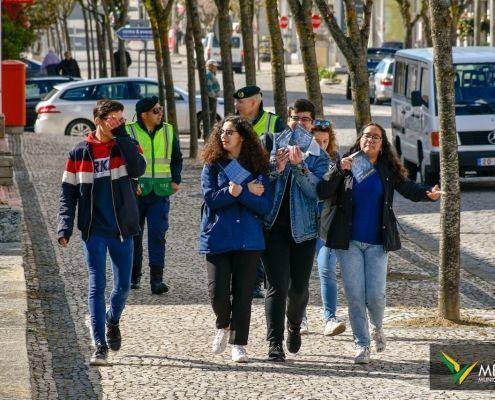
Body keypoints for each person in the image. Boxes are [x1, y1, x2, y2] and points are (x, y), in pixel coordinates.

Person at [317, 122, 442, 364]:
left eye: (376, 137)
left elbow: (408, 188)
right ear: (360, 139)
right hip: (349, 242)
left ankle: (377, 327)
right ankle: (362, 345)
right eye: (367, 136)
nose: (370, 140)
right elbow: (323, 191)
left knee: (375, 295)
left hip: (377, 242)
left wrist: (428, 193)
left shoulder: (386, 168)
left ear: (382, 144)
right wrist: (339, 170)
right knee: (354, 295)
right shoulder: (347, 162)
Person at [57, 99, 146, 366]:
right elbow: (67, 194)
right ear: (98, 120)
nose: (119, 123)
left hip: (122, 228)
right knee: (97, 286)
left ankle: (112, 319)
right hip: (93, 229)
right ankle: (99, 344)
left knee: (123, 286)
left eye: (122, 119)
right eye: (113, 119)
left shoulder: (126, 145)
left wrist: (124, 139)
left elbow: (139, 168)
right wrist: (65, 225)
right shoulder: (78, 152)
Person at [199, 116, 273, 363]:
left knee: (243, 295)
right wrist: (236, 192)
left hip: (248, 238)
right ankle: (223, 323)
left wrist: (239, 192)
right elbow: (211, 199)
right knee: (217, 292)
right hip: (218, 236)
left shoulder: (258, 168)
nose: (224, 136)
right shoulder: (212, 164)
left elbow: (264, 205)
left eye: (230, 132)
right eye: (222, 132)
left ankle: (239, 343)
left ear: (242, 136)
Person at [262, 105, 330, 362]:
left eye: (305, 119)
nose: (299, 123)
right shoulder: (269, 143)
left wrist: (300, 167)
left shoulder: (319, 155)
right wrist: (275, 168)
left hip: (304, 231)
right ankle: (274, 343)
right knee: (276, 286)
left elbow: (317, 192)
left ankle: (294, 325)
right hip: (273, 227)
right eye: (295, 118)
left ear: (312, 123)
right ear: (288, 120)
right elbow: (260, 180)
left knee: (298, 288)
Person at [126, 96, 183, 294]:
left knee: (158, 235)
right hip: (136, 193)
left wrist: (176, 179)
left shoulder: (168, 130)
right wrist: (131, 184)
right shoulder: (129, 131)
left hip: (160, 192)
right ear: (144, 115)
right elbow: (123, 162)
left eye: (160, 110)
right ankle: (134, 276)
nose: (160, 114)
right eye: (156, 111)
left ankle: (156, 280)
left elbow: (176, 157)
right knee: (134, 235)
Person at [234, 85, 286, 299]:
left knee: (264, 233)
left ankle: (263, 276)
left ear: (254, 102)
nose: (236, 106)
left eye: (240, 102)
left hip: (267, 185)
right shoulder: (234, 124)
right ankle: (251, 281)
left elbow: (282, 152)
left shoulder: (274, 123)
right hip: (241, 185)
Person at [311, 119, 346, 338]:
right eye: (317, 141)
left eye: (325, 141)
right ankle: (298, 318)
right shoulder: (299, 157)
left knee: (326, 270)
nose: (322, 145)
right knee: (299, 274)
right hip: (303, 224)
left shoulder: (335, 160)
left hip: (326, 225)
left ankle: (330, 318)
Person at [206, 59, 221, 128]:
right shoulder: (209, 74)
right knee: (212, 115)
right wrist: (214, 95)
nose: (216, 68)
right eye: (214, 66)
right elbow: (209, 87)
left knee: (213, 116)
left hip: (213, 97)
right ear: (210, 66)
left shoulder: (211, 74)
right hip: (211, 98)